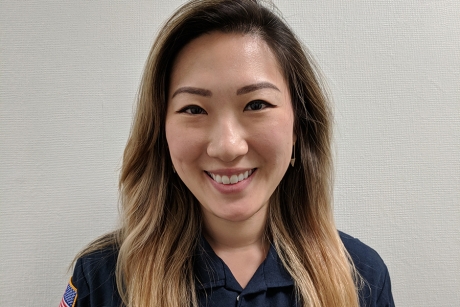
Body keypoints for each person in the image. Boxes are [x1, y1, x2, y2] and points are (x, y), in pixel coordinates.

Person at [60, 0, 395, 306]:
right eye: (193, 109)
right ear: (160, 132)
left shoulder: (363, 279)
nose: (227, 146)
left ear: (298, 127)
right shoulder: (101, 280)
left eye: (256, 104)